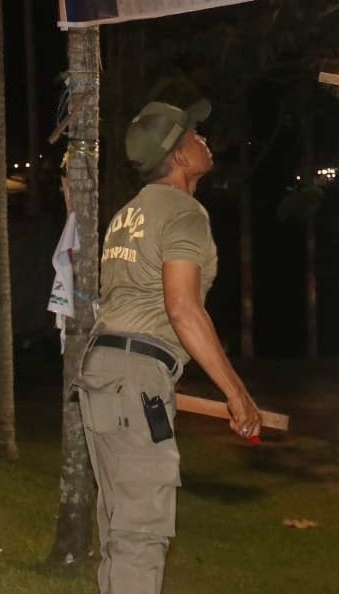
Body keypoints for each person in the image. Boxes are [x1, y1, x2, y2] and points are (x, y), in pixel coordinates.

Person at [75, 98, 262, 594]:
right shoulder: (184, 213)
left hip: (103, 372)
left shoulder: (127, 214)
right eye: (195, 135)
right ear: (179, 155)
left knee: (120, 525)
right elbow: (182, 309)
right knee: (141, 531)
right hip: (135, 376)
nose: (204, 140)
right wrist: (237, 393)